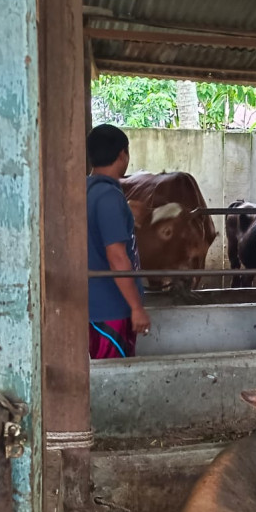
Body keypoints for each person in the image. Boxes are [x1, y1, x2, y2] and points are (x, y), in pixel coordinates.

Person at [86, 124, 152, 359]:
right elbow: (117, 256)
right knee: (114, 379)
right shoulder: (109, 198)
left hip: (90, 307)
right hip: (111, 308)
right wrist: (136, 307)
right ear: (123, 154)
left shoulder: (83, 191)